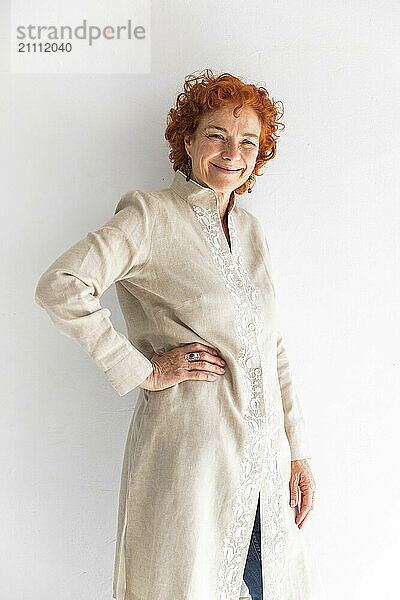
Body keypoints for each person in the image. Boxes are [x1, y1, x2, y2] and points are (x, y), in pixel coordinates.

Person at [35, 69, 323, 600]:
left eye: (248, 141)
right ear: (186, 139)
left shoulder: (252, 232)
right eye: (216, 134)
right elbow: (62, 285)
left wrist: (297, 451)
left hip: (266, 460)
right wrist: (143, 369)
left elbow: (271, 346)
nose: (232, 153)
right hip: (194, 452)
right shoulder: (150, 216)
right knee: (185, 583)